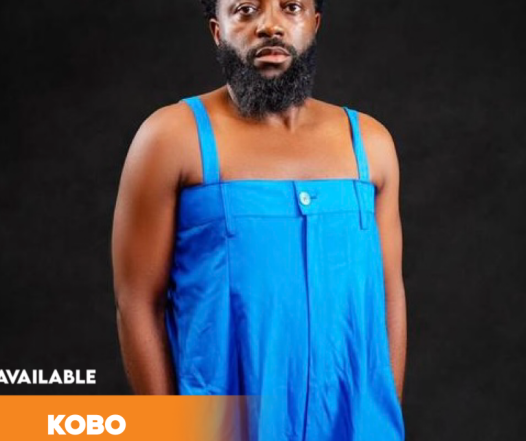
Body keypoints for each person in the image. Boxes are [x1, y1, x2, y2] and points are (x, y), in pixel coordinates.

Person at [111, 0, 407, 439]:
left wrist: (380, 420)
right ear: (218, 30)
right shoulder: (172, 138)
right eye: (246, 9)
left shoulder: (371, 143)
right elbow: (137, 302)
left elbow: (389, 294)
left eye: (291, 7)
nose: (270, 25)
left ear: (314, 23)